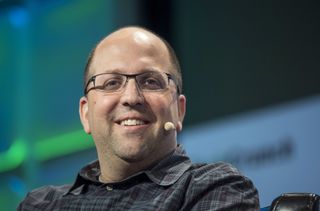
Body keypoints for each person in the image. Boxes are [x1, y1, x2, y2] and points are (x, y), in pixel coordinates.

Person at [18, 26, 259, 210]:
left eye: (151, 81)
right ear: (86, 114)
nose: (132, 97)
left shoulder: (214, 187)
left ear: (179, 110)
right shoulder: (41, 204)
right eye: (111, 82)